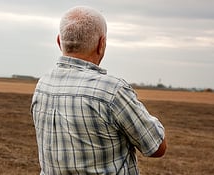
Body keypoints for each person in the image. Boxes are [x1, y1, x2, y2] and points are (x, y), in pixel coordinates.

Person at [31, 6, 166, 175]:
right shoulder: (112, 91)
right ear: (101, 44)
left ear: (59, 42)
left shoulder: (43, 85)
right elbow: (156, 147)